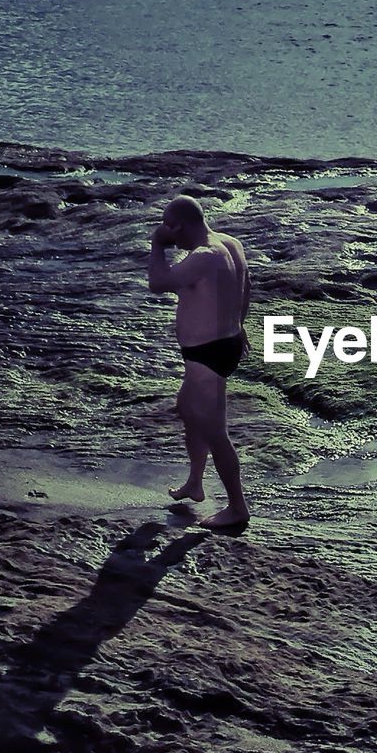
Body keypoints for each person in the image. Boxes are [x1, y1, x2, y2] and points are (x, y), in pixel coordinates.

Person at [148, 195, 250, 528]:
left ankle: (237, 508)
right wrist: (240, 325)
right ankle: (195, 483)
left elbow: (157, 283)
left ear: (184, 225)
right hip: (224, 343)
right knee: (187, 408)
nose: (169, 234)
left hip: (208, 351)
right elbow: (245, 286)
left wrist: (156, 245)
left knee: (213, 430)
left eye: (170, 227)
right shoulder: (230, 244)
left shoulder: (204, 256)